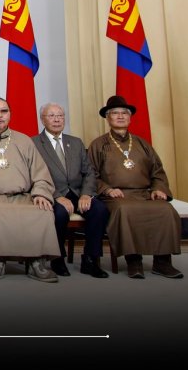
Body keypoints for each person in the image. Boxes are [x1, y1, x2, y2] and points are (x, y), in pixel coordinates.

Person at [87, 96, 184, 280]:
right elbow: (90, 174)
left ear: (130, 118)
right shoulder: (98, 145)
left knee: (166, 210)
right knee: (125, 210)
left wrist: (158, 188)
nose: (120, 116)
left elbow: (157, 171)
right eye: (115, 113)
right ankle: (134, 261)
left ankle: (163, 262)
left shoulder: (142, 144)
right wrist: (107, 189)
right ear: (108, 118)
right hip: (116, 196)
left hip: (144, 194)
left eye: (124, 113)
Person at [0, 97, 59, 283]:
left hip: (23, 196)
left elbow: (40, 172)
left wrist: (40, 193)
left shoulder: (24, 141)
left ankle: (36, 261)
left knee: (43, 211)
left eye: (4, 111)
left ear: (10, 115)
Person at [32, 102, 109, 278]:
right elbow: (33, 175)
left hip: (78, 193)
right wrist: (56, 196)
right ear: (42, 120)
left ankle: (90, 259)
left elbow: (89, 172)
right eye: (52, 116)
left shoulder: (75, 142)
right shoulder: (34, 143)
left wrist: (86, 194)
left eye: (60, 116)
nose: (57, 119)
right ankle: (57, 258)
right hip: (52, 194)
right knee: (59, 214)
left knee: (99, 210)